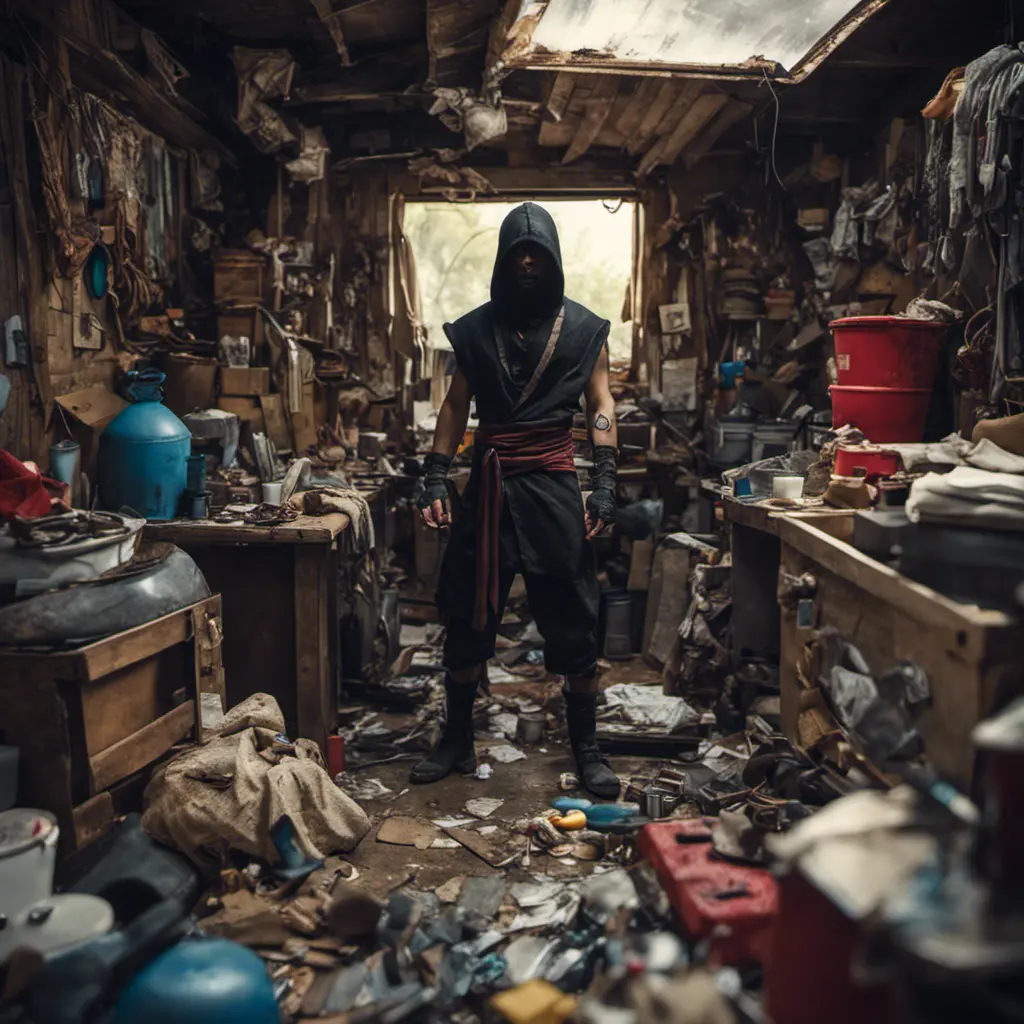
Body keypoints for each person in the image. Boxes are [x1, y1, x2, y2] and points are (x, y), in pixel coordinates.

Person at [411, 202, 619, 798]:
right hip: (490, 482)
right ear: (503, 261)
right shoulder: (475, 331)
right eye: (517, 252)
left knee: (575, 614)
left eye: (538, 252)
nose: (527, 261)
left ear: (553, 260)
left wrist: (604, 479)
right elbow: (455, 407)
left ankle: (587, 746)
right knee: (465, 608)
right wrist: (434, 475)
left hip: (554, 483)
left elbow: (600, 403)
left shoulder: (584, 330)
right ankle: (456, 738)